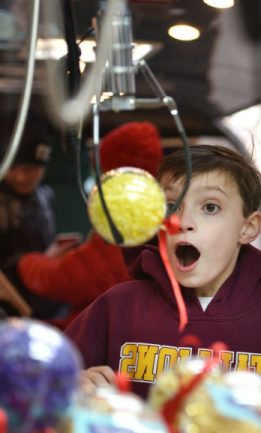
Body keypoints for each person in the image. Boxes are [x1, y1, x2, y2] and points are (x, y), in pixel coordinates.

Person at [67, 144, 261, 396]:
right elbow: (43, 384)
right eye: (171, 206)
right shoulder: (117, 307)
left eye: (210, 207)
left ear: (248, 228)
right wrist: (74, 386)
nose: (183, 222)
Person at [16, 121, 164, 328]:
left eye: (103, 174)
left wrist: (26, 261)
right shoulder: (159, 214)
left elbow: (66, 280)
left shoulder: (127, 223)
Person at [0, 109, 67, 320]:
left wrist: (53, 257)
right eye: (14, 167)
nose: (22, 177)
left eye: (31, 169)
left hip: (45, 307)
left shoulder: (44, 196)